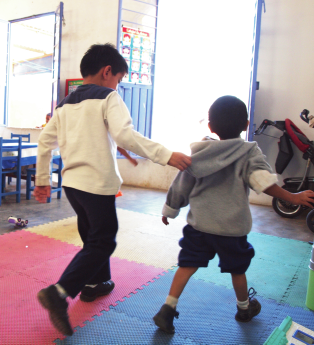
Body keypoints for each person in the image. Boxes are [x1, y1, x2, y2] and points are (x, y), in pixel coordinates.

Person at [34, 43, 191, 336]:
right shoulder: (109, 97)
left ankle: (94, 283)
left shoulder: (65, 104)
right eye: (118, 79)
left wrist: (43, 179)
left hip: (73, 186)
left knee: (91, 237)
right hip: (96, 185)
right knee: (103, 242)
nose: (117, 85)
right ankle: (60, 292)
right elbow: (125, 134)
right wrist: (166, 155)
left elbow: (46, 142)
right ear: (108, 72)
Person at [153, 95, 314, 334]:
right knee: (237, 270)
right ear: (246, 124)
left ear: (210, 126)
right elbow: (263, 183)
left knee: (187, 265)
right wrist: (293, 197)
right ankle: (244, 308)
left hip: (199, 226)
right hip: (231, 228)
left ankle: (167, 309)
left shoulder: (199, 153)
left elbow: (181, 183)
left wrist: (170, 208)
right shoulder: (249, 152)